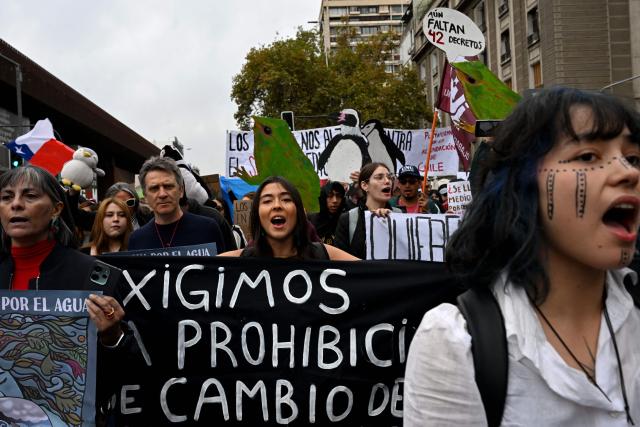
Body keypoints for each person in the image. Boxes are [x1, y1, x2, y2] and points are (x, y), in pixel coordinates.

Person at [404, 88, 640, 425]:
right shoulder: (456, 343)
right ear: (522, 184)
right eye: (588, 156)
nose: (628, 173)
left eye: (633, 158)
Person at [0, 165, 126, 422]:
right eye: (6, 197)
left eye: (30, 196)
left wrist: (112, 337)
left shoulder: (93, 276)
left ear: (56, 209)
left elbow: (123, 374)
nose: (16, 204)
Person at [219, 176, 357, 260]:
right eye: (267, 201)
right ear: (257, 214)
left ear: (299, 211)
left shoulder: (324, 254)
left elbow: (372, 274)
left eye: (286, 199)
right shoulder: (240, 260)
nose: (277, 206)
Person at [128, 156, 226, 252]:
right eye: (154, 188)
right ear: (145, 196)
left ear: (181, 190)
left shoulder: (208, 229)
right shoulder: (136, 240)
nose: (162, 194)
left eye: (168, 186)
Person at [334, 162, 401, 258]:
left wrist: (390, 221)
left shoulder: (399, 215)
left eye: (389, 177)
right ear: (365, 185)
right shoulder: (348, 219)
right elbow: (341, 260)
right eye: (379, 177)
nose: (387, 181)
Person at [307, 180, 347, 245]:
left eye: (338, 196)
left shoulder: (346, 220)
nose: (335, 200)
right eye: (330, 196)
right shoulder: (311, 219)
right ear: (323, 198)